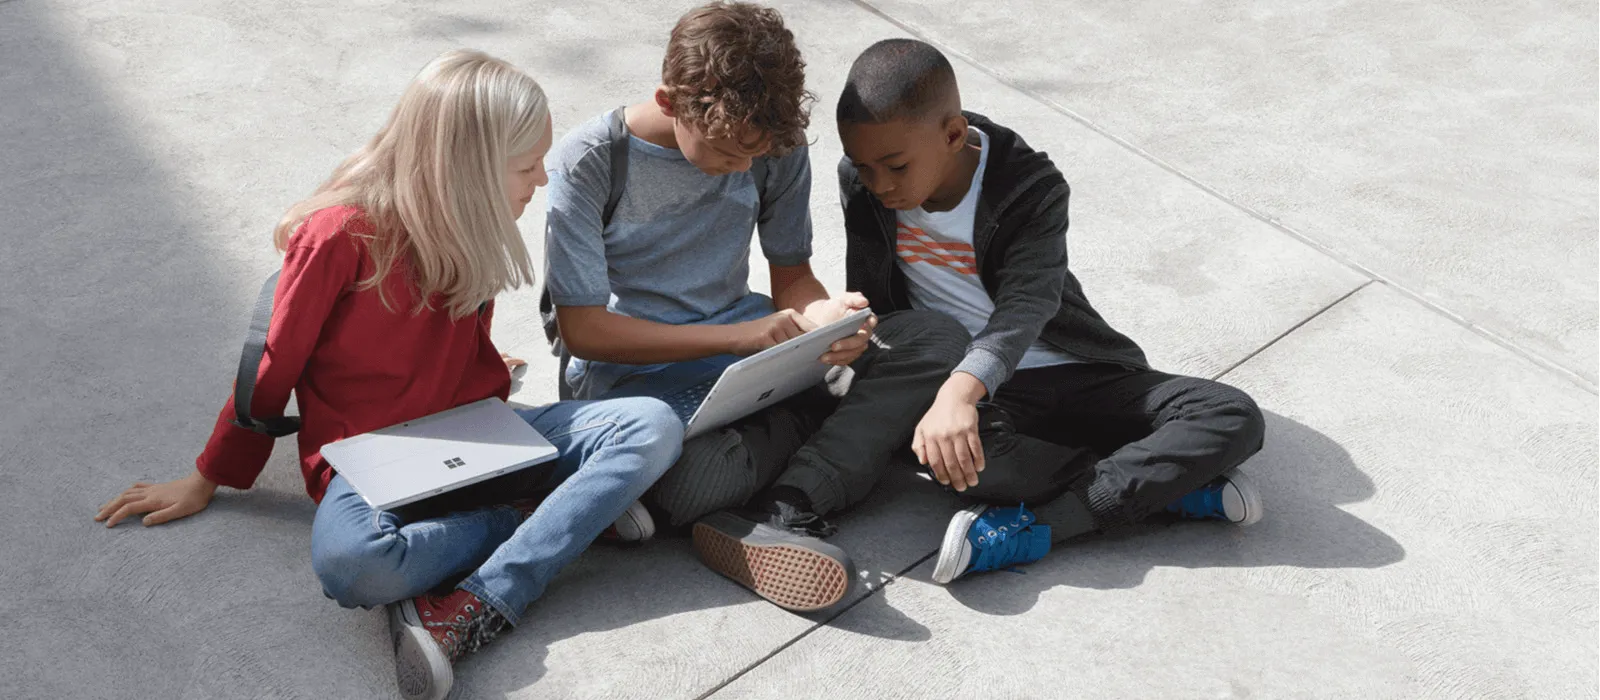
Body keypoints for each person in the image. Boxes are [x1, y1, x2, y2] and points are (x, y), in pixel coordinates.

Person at [93, 50, 683, 700]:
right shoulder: (338, 235)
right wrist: (210, 476)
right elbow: (271, 368)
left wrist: (483, 371)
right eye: (525, 166)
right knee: (355, 565)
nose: (542, 179)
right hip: (374, 462)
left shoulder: (472, 221)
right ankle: (549, 519)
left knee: (650, 424)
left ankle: (475, 594)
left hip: (477, 436)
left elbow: (446, 339)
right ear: (469, 169)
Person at [542, 3, 968, 612]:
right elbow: (584, 332)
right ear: (670, 102)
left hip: (755, 354)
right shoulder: (589, 164)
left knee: (932, 340)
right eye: (727, 152)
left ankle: (788, 490)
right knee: (689, 480)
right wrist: (736, 340)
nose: (743, 168)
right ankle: (839, 448)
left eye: (757, 153)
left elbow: (791, 276)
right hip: (638, 384)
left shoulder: (772, 145)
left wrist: (824, 320)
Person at [834, 39, 1268, 584]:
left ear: (951, 134)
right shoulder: (863, 182)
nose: (880, 185)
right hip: (987, 401)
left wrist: (959, 389)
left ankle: (1045, 526)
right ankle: (1165, 484)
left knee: (1232, 415)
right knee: (948, 457)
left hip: (1070, 369)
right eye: (864, 167)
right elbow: (874, 291)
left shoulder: (1029, 187)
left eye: (894, 166)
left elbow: (1027, 305)